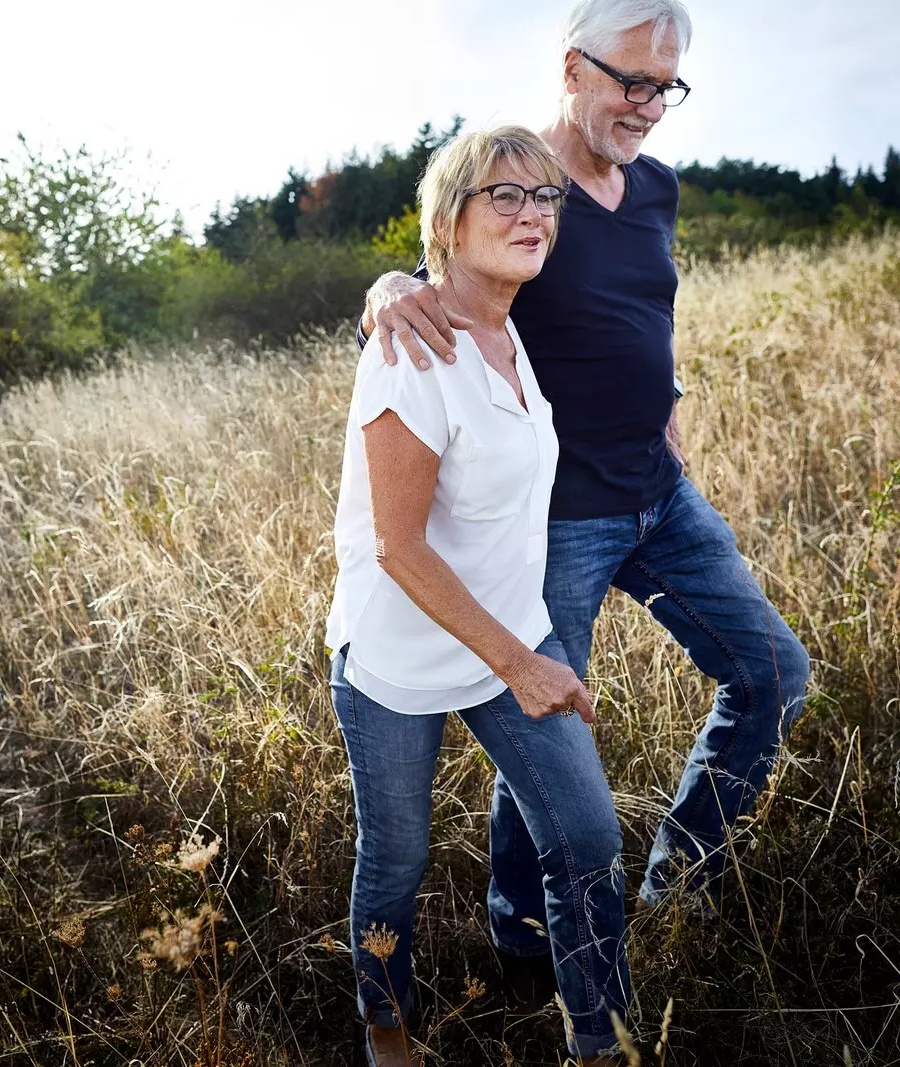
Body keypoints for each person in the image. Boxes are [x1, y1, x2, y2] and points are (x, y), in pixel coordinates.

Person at [357, 0, 810, 1005]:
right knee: (546, 714)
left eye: (667, 85)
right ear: (573, 65)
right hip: (558, 518)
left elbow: (651, 305)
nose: (650, 105)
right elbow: (436, 274)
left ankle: (678, 883)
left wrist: (671, 394)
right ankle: (520, 934)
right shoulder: (524, 188)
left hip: (663, 498)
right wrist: (386, 285)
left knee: (774, 673)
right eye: (631, 82)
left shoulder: (654, 188)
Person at [327, 125, 629, 1067]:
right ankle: (386, 1025)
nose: (534, 213)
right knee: (398, 859)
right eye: (506, 195)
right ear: (448, 219)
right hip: (402, 653)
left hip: (509, 633)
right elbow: (402, 548)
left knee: (586, 836)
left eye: (546, 197)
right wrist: (524, 666)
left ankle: (599, 1036)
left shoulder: (508, 327)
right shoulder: (409, 348)